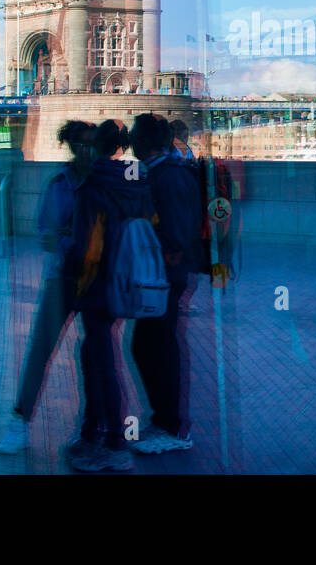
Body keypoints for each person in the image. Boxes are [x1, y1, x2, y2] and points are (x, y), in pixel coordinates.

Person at [0, 120, 95, 455]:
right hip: (63, 277)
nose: (85, 150)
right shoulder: (60, 185)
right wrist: (69, 240)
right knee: (40, 350)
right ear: (69, 146)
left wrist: (67, 238)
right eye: (78, 143)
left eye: (90, 143)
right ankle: (20, 422)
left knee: (96, 356)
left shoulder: (105, 183)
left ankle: (91, 428)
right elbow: (46, 232)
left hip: (96, 280)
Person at [65, 119, 155, 472]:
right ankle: (93, 432)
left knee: (101, 360)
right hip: (127, 280)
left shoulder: (92, 185)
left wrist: (78, 286)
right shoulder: (136, 180)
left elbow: (88, 246)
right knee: (97, 354)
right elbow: (150, 225)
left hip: (98, 284)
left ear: (95, 146)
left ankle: (113, 441)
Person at [129, 113, 201, 455]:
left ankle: (170, 426)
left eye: (135, 136)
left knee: (155, 347)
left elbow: (175, 228)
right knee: (153, 346)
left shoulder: (167, 176)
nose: (131, 143)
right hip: (163, 276)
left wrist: (164, 257)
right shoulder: (169, 171)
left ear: (146, 141)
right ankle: (166, 422)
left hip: (164, 278)